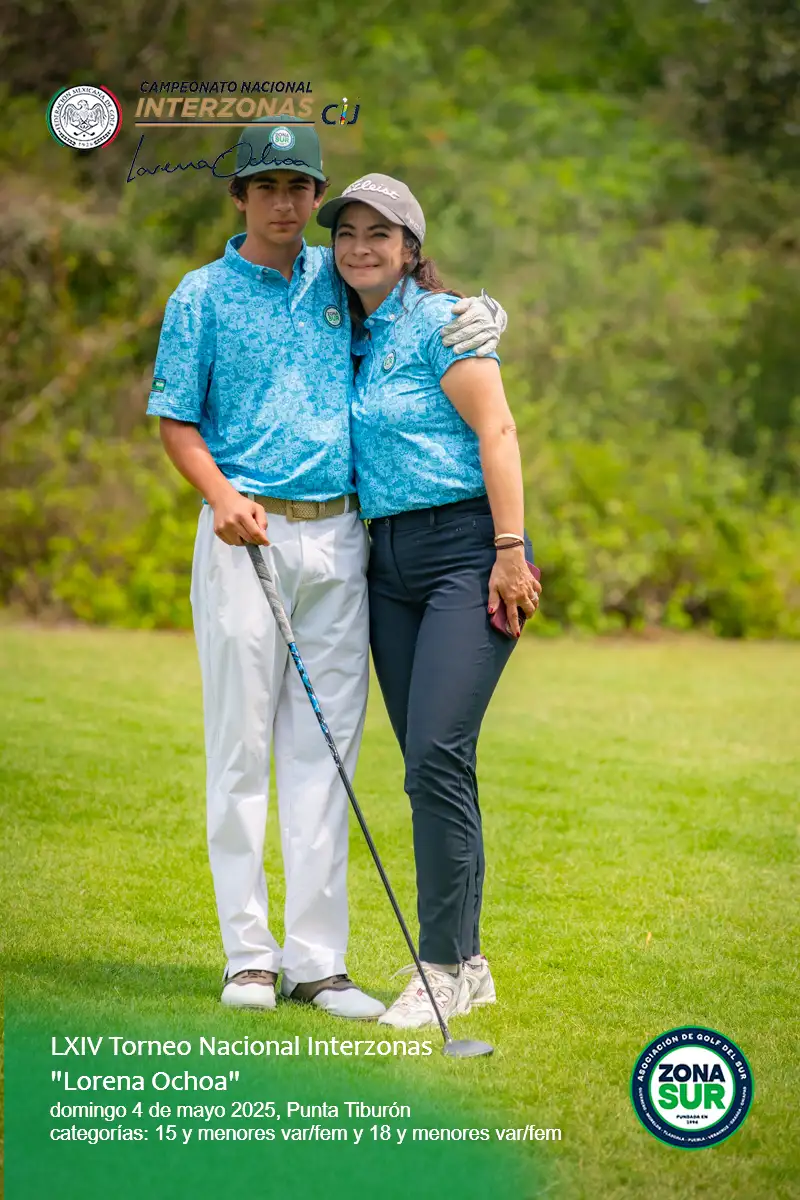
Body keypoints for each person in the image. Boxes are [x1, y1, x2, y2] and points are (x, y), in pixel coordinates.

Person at [147, 120, 508, 1018]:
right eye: (266, 186)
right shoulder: (200, 295)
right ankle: (249, 959)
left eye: (298, 188)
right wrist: (220, 494)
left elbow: (416, 309)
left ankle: (317, 964)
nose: (284, 203)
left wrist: (487, 314)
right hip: (246, 536)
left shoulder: (334, 279)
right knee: (240, 749)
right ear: (240, 196)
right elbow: (174, 420)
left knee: (326, 753)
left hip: (345, 538)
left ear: (314, 197)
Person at [317, 174, 541, 1028]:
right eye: (347, 233)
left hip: (468, 554)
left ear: (411, 249)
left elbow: (498, 430)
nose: (360, 247)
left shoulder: (446, 322)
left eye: (380, 234)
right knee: (432, 766)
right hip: (388, 566)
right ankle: (468, 963)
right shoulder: (348, 332)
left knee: (436, 756)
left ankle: (441, 967)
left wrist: (509, 551)